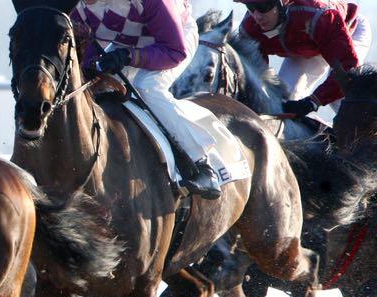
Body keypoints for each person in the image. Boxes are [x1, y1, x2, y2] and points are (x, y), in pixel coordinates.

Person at [71, 0, 223, 199]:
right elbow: (85, 49)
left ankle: (201, 163)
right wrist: (91, 68)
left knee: (148, 86)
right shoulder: (75, 5)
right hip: (123, 41)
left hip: (173, 40)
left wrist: (128, 56)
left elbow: (175, 51)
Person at [234, 0, 371, 116]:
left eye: (263, 7)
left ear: (282, 3)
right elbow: (256, 76)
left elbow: (348, 70)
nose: (257, 16)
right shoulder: (250, 29)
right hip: (305, 48)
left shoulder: (318, 16)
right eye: (251, 7)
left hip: (348, 33)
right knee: (287, 98)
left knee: (341, 97)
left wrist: (313, 101)